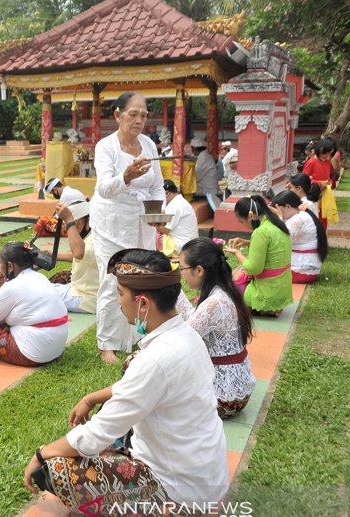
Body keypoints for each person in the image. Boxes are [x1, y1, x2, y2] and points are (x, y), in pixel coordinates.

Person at [23, 249, 227, 512]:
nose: (119, 302)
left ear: (143, 303)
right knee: (127, 375)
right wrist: (90, 398)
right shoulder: (185, 335)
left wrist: (41, 453)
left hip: (180, 488)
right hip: (203, 473)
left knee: (56, 469)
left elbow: (96, 434)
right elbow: (140, 387)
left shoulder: (156, 359)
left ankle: (163, 508)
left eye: (120, 294)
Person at [89, 91, 164, 364]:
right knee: (113, 281)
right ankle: (107, 343)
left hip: (141, 223)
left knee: (140, 279)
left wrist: (157, 217)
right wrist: (127, 176)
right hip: (110, 223)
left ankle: (136, 336)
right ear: (117, 115)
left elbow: (157, 185)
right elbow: (104, 189)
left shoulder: (149, 145)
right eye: (133, 114)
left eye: (143, 115)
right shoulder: (105, 147)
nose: (139, 120)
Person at [177, 238, 256, 418]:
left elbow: (182, 337)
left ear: (199, 270)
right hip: (235, 393)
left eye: (182, 269)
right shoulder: (222, 292)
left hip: (225, 400)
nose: (181, 274)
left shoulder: (216, 302)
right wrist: (177, 292)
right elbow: (194, 320)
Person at [0, 242, 69, 366]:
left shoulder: (12, 286)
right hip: (56, 348)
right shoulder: (40, 277)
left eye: (1, 265)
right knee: (5, 319)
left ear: (10, 266)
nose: (0, 269)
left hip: (33, 355)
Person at [225, 195, 292, 317]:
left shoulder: (260, 232)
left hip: (268, 293)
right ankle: (271, 308)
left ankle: (264, 307)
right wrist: (248, 242)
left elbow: (253, 269)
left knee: (229, 289)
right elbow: (273, 247)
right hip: (282, 290)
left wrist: (237, 253)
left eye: (242, 222)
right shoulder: (276, 224)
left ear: (251, 216)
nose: (243, 225)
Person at [49, 200, 98, 314]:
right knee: (41, 286)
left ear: (88, 222)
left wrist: (70, 220)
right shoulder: (92, 236)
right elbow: (82, 255)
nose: (71, 230)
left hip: (85, 298)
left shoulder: (94, 240)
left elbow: (78, 253)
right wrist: (54, 255)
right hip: (79, 291)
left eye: (76, 224)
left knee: (35, 293)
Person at [271, 190, 328, 284]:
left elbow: (281, 240)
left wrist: (279, 218)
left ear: (288, 206)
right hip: (305, 268)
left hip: (301, 271)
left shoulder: (299, 219)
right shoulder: (302, 215)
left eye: (278, 210)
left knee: (262, 270)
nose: (277, 213)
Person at [155, 180, 198, 257]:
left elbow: (164, 230)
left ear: (166, 193)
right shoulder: (178, 201)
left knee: (150, 234)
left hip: (181, 246)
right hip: (189, 244)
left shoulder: (174, 205)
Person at [191, 137, 221, 211]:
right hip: (209, 189)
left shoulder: (203, 157)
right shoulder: (204, 156)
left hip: (208, 192)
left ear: (194, 149)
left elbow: (197, 176)